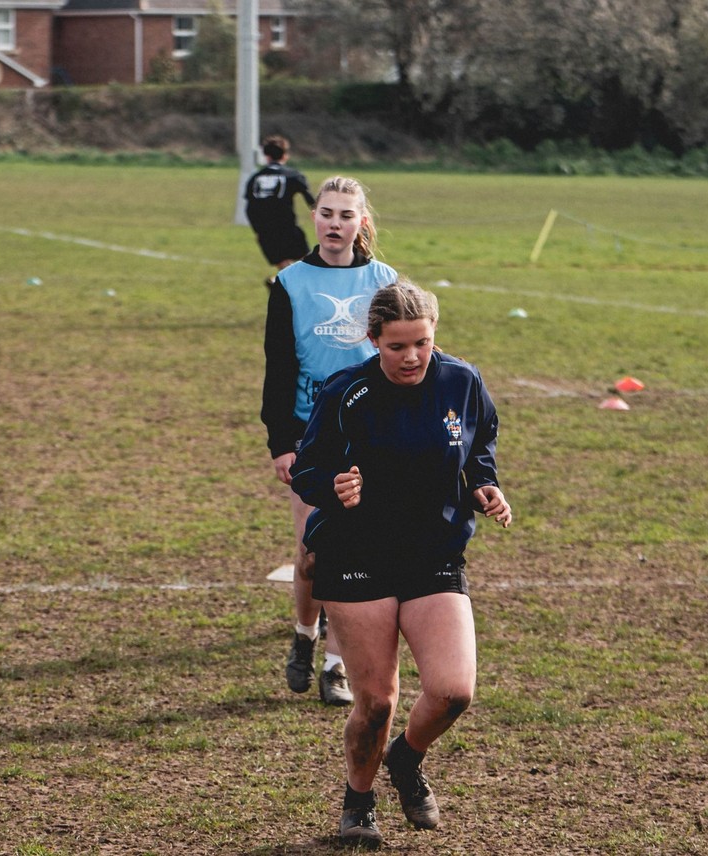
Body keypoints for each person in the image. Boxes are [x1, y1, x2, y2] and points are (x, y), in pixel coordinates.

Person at [290, 281, 512, 847]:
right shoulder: (347, 392)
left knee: (453, 690)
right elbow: (308, 469)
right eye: (397, 346)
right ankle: (357, 802)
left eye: (423, 343)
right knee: (377, 701)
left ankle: (406, 760)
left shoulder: (461, 380)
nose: (412, 357)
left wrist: (484, 484)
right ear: (373, 341)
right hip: (356, 553)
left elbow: (480, 441)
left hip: (433, 552)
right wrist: (334, 486)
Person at [261, 175, 397, 707]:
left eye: (346, 215)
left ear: (362, 221)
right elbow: (278, 370)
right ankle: (304, 633)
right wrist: (281, 442)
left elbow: (400, 361)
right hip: (310, 437)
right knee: (313, 554)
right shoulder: (290, 284)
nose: (335, 224)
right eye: (326, 213)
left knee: (353, 552)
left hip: (368, 440)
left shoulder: (385, 281)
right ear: (313, 217)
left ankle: (336, 667)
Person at [244, 135, 314, 287]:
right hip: (288, 227)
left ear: (266, 156)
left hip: (266, 231)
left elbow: (249, 208)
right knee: (309, 264)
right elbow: (311, 200)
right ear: (285, 155)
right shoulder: (293, 175)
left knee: (284, 264)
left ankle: (278, 283)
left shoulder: (255, 178)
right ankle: (282, 284)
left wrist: (257, 231)